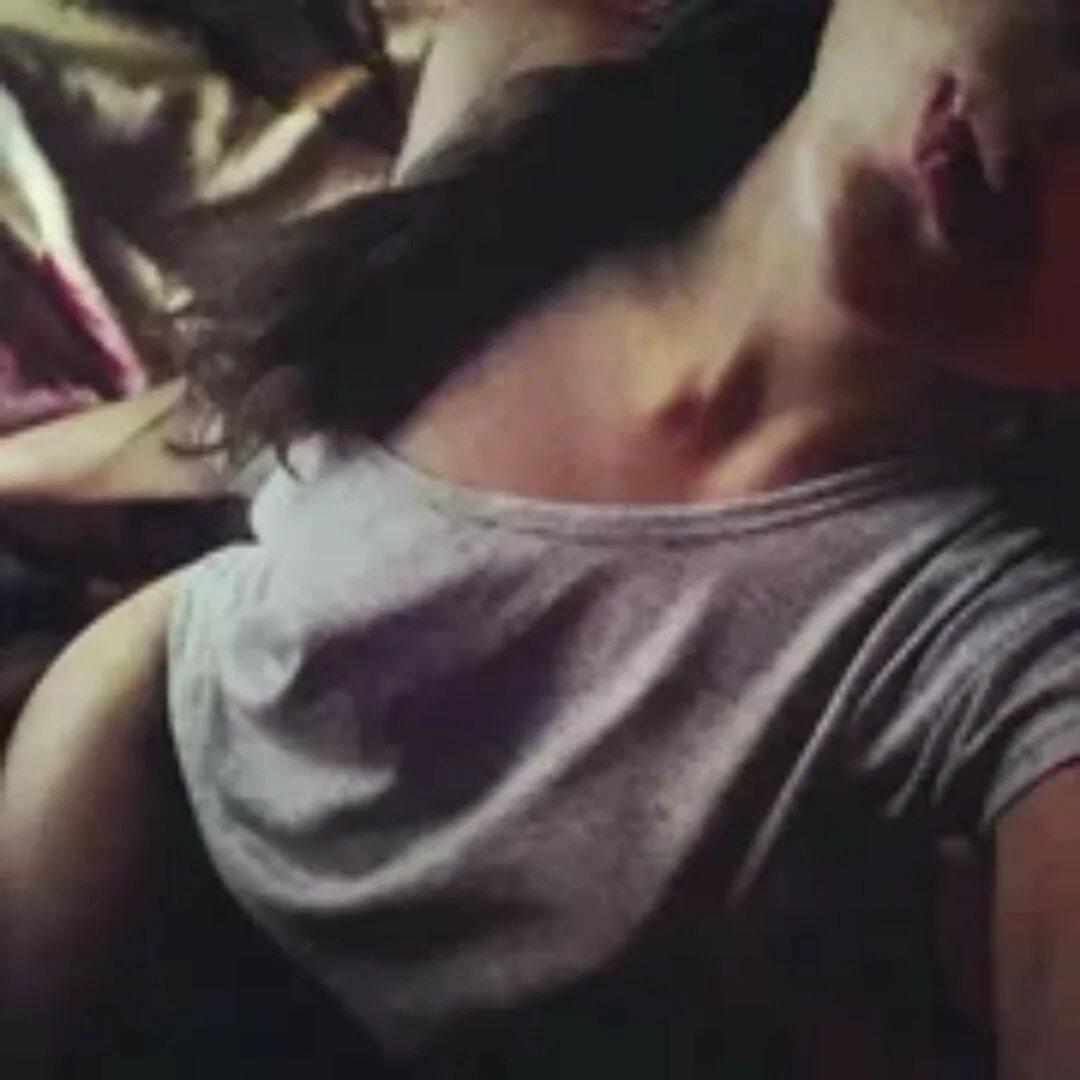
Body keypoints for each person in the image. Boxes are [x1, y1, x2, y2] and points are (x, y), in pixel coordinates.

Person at [8, 0, 1080, 1074]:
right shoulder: (538, 100)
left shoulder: (1014, 635)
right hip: (137, 764)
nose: (1062, 122)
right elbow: (286, 394)